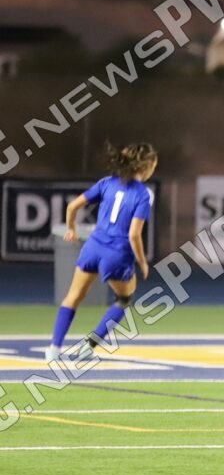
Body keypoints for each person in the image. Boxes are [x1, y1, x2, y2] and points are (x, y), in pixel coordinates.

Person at [46, 143, 158, 362]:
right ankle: (89, 346)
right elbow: (134, 235)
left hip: (93, 247)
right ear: (147, 166)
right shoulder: (143, 195)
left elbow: (72, 207)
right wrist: (142, 262)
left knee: (73, 296)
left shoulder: (107, 183)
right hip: (117, 253)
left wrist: (71, 229)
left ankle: (53, 350)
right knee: (123, 299)